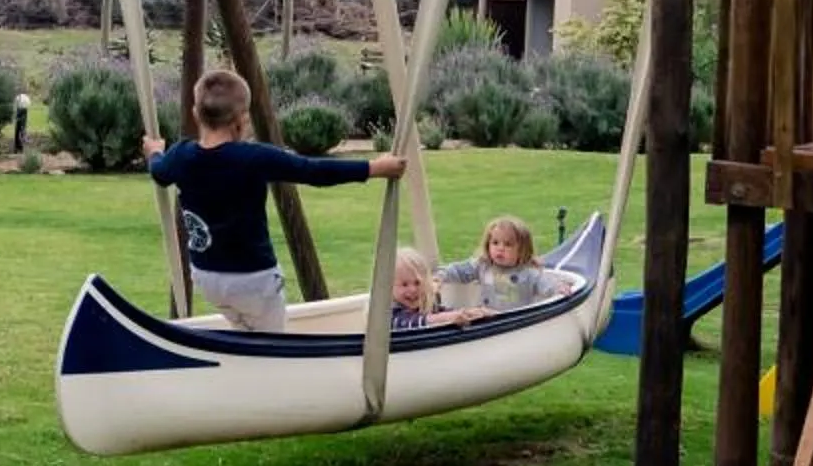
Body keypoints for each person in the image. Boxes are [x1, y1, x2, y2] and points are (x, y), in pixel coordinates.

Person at [145, 66, 405, 331]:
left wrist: (154, 152)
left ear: (195, 114)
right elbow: (312, 171)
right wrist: (374, 168)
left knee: (242, 323)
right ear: (242, 119)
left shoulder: (180, 155)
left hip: (206, 277)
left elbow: (159, 172)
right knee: (272, 340)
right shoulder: (254, 158)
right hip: (252, 280)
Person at [434, 214, 579, 326]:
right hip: (485, 322)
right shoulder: (483, 265)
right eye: (495, 243)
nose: (500, 248)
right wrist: (440, 276)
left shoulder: (528, 273)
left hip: (515, 325)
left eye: (508, 245)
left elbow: (546, 284)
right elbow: (460, 271)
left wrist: (558, 288)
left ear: (522, 250)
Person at [389, 246, 440, 332]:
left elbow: (440, 311)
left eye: (417, 283)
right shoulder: (390, 312)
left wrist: (463, 313)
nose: (413, 290)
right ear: (389, 287)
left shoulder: (425, 303)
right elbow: (410, 323)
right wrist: (448, 317)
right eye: (404, 285)